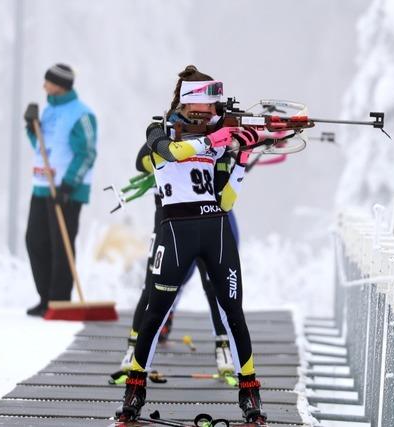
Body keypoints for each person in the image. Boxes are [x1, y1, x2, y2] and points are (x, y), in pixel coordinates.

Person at [117, 65, 290, 424]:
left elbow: (226, 202)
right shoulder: (160, 131)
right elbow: (173, 153)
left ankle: (250, 394)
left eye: (216, 111)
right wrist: (217, 139)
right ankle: (134, 390)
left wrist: (241, 158)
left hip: (216, 230)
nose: (214, 114)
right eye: (210, 108)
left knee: (233, 314)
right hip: (176, 231)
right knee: (156, 312)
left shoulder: (218, 137)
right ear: (194, 105)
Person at [112, 140, 239, 381]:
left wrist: (231, 155)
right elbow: (141, 160)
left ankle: (224, 349)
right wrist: (174, 156)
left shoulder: (216, 136)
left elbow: (227, 186)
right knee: (151, 286)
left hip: (208, 221)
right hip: (169, 225)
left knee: (214, 287)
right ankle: (132, 351)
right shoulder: (169, 133)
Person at [23, 63, 98, 317]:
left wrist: (68, 186)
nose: (44, 86)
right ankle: (45, 298)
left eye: (48, 82)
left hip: (67, 190)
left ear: (61, 85)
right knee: (35, 241)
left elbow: (87, 153)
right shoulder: (48, 111)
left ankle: (59, 300)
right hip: (43, 187)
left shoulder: (81, 114)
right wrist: (30, 125)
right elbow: (42, 148)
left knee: (60, 245)